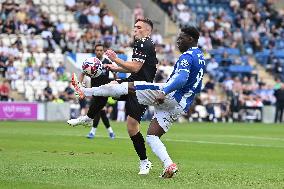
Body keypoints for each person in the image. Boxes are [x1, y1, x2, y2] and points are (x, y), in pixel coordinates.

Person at [72, 26, 204, 178]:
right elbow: (197, 85)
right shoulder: (200, 56)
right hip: (181, 105)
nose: (178, 42)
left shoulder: (187, 56)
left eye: (181, 38)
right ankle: (169, 165)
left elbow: (181, 78)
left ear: (191, 39)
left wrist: (164, 92)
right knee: (152, 136)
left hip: (171, 95)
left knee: (129, 87)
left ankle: (84, 91)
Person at [70, 18, 158, 175]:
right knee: (110, 87)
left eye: (139, 27)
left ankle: (145, 162)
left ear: (147, 30)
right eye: (134, 27)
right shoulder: (143, 44)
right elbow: (136, 69)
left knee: (132, 128)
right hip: (133, 83)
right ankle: (88, 113)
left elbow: (136, 67)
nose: (135, 30)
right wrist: (115, 67)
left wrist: (115, 58)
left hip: (141, 89)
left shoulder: (144, 43)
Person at [67, 44, 115, 139]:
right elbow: (82, 73)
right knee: (100, 111)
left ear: (103, 51)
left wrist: (116, 82)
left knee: (99, 111)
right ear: (95, 51)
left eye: (101, 50)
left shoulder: (107, 62)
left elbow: (115, 72)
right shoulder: (91, 62)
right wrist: (79, 85)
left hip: (105, 91)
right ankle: (109, 132)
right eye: (97, 50)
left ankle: (93, 131)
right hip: (94, 91)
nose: (99, 52)